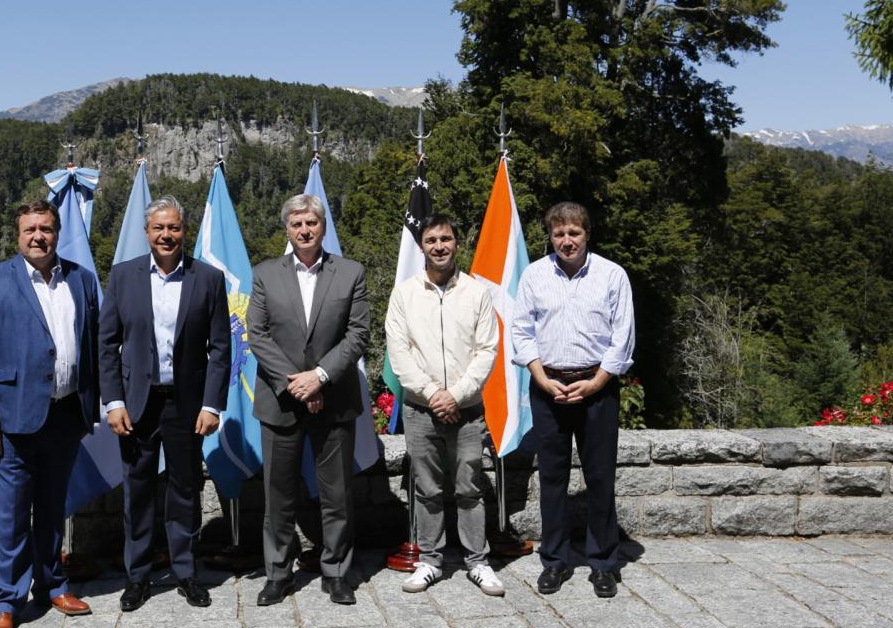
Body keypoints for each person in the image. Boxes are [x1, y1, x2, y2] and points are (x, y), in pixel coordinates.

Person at [0, 200, 99, 628]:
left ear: (57, 232)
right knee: (10, 517)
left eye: (45, 228)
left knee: (52, 510)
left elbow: (93, 347)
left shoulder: (80, 279)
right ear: (17, 235)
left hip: (64, 416)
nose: (38, 236)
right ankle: (6, 602)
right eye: (30, 230)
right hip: (13, 421)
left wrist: (91, 408)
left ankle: (52, 586)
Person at [98, 195, 230, 611]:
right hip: (136, 404)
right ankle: (137, 578)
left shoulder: (208, 278)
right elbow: (106, 344)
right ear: (147, 233)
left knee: (185, 490)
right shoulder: (122, 277)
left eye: (174, 228)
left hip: (187, 406)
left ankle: (186, 573)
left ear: (184, 232)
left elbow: (222, 348)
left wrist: (212, 405)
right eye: (159, 228)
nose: (166, 235)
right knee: (137, 492)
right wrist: (113, 401)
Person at [248, 193, 370, 606]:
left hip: (334, 400)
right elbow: (258, 335)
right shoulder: (265, 273)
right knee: (278, 496)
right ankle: (278, 574)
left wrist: (319, 378)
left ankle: (336, 572)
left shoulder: (351, 273)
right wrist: (296, 385)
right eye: (297, 224)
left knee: (336, 495)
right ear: (287, 229)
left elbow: (357, 335)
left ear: (322, 227)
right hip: (280, 401)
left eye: (312, 223)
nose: (304, 230)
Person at [510, 201, 635, 599]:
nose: (566, 240)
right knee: (552, 479)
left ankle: (603, 562)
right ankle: (556, 560)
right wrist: (541, 379)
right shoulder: (533, 275)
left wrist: (597, 383)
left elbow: (623, 337)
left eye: (574, 233)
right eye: (559, 233)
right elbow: (522, 330)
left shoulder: (612, 276)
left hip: (597, 389)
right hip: (548, 388)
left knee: (600, 477)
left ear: (587, 234)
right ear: (550, 236)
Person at [384, 214, 504, 596]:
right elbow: (399, 352)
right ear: (422, 246)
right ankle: (430, 560)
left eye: (446, 239)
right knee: (427, 488)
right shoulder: (404, 294)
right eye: (432, 239)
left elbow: (487, 350)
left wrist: (457, 395)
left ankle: (477, 562)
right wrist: (435, 394)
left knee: (470, 486)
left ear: (457, 243)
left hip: (467, 409)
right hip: (420, 410)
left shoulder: (476, 293)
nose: (439, 246)